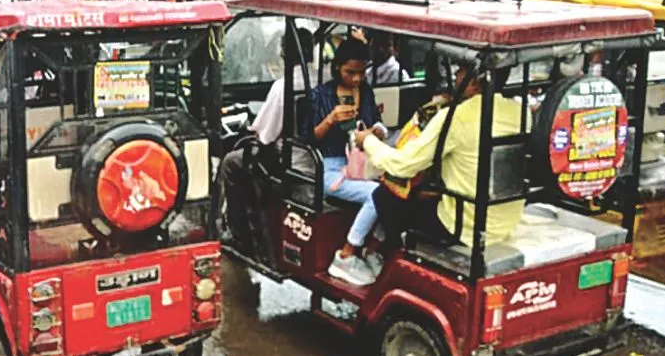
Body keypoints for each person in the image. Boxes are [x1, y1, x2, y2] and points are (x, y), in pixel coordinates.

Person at [355, 63, 525, 253]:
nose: (456, 76)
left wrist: (368, 141)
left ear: (475, 82)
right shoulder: (520, 111)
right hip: (506, 221)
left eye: (460, 72)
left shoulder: (454, 118)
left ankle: (393, 253)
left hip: (465, 227)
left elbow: (403, 165)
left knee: (384, 196)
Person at [219, 29, 315, 254]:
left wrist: (255, 130)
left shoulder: (284, 86)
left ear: (283, 53)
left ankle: (240, 237)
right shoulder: (325, 77)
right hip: (315, 154)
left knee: (231, 163)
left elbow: (265, 135)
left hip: (293, 160)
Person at [311, 40, 387, 285]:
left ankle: (373, 248)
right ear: (337, 68)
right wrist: (331, 119)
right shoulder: (320, 95)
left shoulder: (366, 91)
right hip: (331, 169)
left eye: (361, 73)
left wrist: (377, 132)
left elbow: (376, 121)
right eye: (350, 73)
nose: (356, 79)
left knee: (399, 188)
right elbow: (309, 138)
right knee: (377, 195)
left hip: (363, 165)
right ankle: (346, 254)